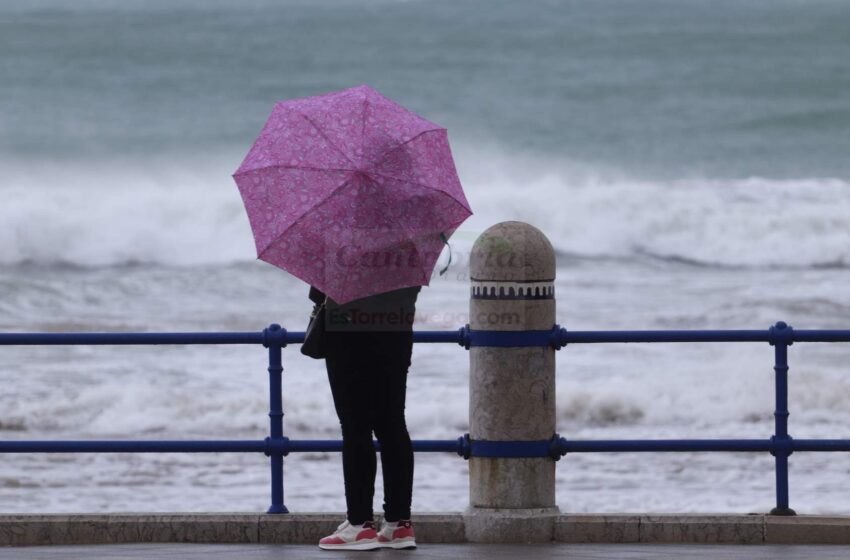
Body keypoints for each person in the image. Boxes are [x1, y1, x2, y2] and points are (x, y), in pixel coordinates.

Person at [312, 284, 421, 551]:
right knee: (393, 424)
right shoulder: (405, 244)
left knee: (355, 427)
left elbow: (319, 292)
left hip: (347, 331)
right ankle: (399, 524)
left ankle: (359, 525)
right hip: (396, 330)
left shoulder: (341, 242)